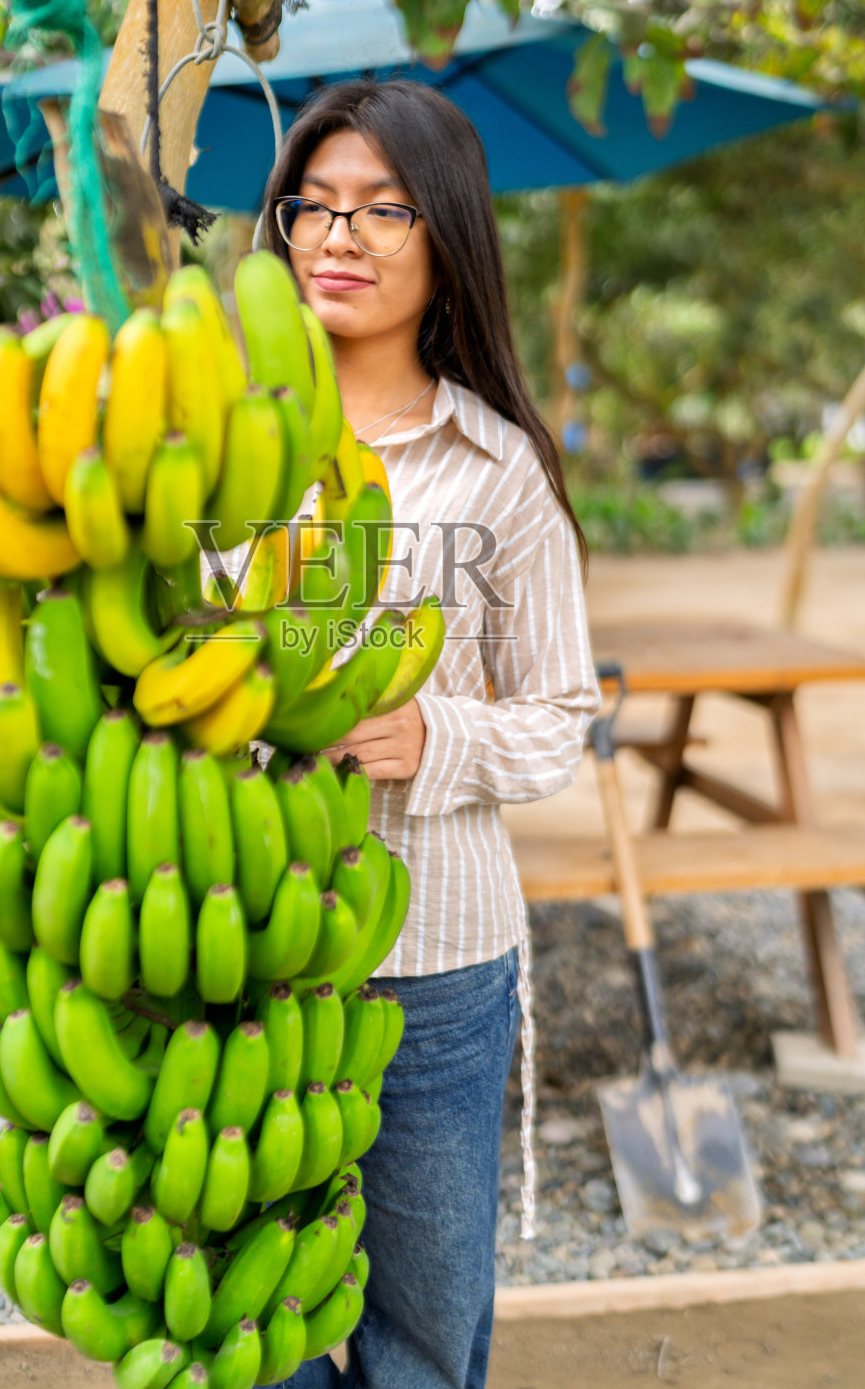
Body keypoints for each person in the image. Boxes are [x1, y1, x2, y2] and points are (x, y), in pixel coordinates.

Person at [256, 79, 600, 1389]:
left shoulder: (498, 467)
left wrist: (430, 737)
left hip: (434, 962)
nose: (338, 236)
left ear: (444, 234)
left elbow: (560, 716)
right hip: (242, 939)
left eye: (382, 209)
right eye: (315, 206)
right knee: (255, 1326)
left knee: (421, 1334)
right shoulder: (214, 444)